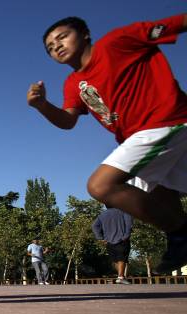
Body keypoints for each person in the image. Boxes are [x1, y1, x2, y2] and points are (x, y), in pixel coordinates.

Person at [27, 14, 187, 275]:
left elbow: (175, 24)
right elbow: (68, 121)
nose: (56, 46)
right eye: (49, 47)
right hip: (142, 139)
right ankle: (179, 235)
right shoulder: (73, 84)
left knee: (100, 184)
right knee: (160, 194)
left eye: (62, 37)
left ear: (86, 34)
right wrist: (42, 106)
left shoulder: (117, 42)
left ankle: (181, 234)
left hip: (165, 121)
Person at [93, 207, 134, 284]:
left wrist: (100, 238)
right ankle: (121, 277)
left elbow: (94, 226)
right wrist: (126, 236)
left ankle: (120, 276)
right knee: (122, 258)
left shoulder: (102, 215)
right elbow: (129, 224)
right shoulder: (124, 211)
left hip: (108, 241)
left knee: (115, 260)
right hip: (121, 240)